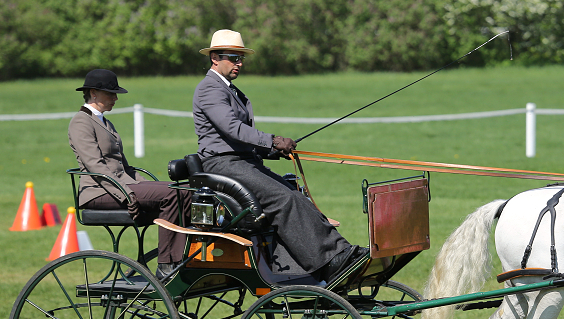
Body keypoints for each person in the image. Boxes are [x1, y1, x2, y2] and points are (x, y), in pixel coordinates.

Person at [192, 29, 366, 281]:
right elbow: (233, 129)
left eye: (241, 57)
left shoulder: (229, 89)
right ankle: (330, 260)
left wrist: (273, 150)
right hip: (223, 165)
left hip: (241, 161)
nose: (239, 63)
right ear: (215, 58)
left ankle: (334, 255)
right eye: (233, 57)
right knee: (284, 199)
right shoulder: (210, 88)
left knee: (296, 194)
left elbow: (239, 137)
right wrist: (272, 140)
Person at [68, 69, 190, 277]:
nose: (115, 98)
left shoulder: (105, 122)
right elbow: (96, 167)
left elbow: (125, 168)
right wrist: (126, 193)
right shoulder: (81, 122)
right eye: (110, 93)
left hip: (118, 184)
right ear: (93, 93)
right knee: (174, 193)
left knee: (183, 189)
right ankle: (167, 263)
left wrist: (147, 185)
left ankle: (182, 256)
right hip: (99, 191)